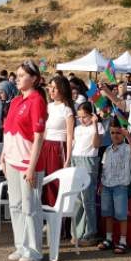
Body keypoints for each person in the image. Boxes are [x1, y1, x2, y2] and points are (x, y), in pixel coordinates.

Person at [1, 61, 47, 261]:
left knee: (31, 208)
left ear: (34, 79)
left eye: (22, 76)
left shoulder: (37, 101)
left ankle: (34, 251)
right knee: (16, 206)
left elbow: (39, 137)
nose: (17, 79)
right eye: (17, 75)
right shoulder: (15, 101)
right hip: (12, 160)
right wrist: (4, 155)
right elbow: (8, 131)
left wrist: (31, 168)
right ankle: (21, 246)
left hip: (28, 162)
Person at [99, 124, 131, 255]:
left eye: (118, 133)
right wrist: (101, 183)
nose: (115, 135)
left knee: (121, 215)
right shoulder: (107, 150)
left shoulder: (127, 148)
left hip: (120, 186)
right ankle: (109, 239)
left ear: (123, 135)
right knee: (108, 213)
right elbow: (104, 167)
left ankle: (123, 241)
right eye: (112, 133)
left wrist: (128, 136)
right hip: (106, 185)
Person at [71, 102, 103, 246]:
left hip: (89, 161)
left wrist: (95, 124)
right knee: (77, 199)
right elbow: (73, 145)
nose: (82, 120)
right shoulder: (77, 129)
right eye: (79, 117)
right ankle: (76, 233)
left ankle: (90, 233)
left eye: (85, 117)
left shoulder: (98, 126)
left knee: (88, 200)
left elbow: (96, 144)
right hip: (75, 160)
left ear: (92, 115)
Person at [40, 75, 75, 206]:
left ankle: (56, 213)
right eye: (51, 87)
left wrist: (68, 159)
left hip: (58, 148)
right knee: (43, 179)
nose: (52, 90)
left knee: (55, 181)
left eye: (55, 88)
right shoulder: (48, 106)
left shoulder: (67, 110)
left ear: (63, 89)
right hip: (45, 145)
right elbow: (43, 129)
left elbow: (70, 135)